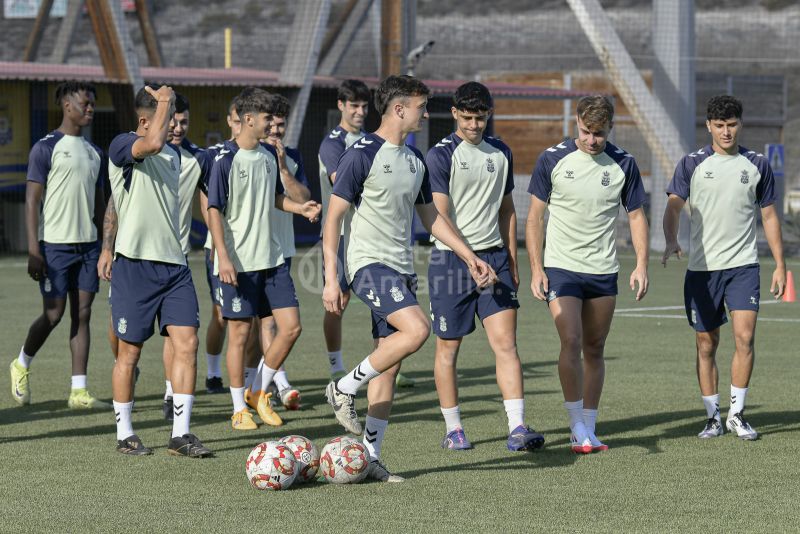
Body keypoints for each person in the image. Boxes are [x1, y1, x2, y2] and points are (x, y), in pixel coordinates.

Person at [322, 75, 496, 481]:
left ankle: (369, 458)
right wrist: (332, 278)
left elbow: (432, 217)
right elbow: (333, 219)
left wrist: (469, 255)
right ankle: (343, 387)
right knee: (418, 330)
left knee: (390, 365)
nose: (424, 113)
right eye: (420, 106)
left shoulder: (415, 160)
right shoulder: (360, 154)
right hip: (367, 263)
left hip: (401, 267)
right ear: (399, 108)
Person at [526, 95, 649, 454]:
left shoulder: (624, 163)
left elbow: (636, 215)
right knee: (572, 341)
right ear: (576, 121)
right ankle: (576, 423)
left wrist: (641, 264)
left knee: (595, 347)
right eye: (585, 131)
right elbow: (535, 217)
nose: (591, 139)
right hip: (562, 268)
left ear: (611, 128)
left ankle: (590, 426)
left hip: (603, 271)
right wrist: (536, 269)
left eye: (598, 133)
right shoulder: (552, 158)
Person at [427, 82, 544, 452]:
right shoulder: (440, 155)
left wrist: (510, 258)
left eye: (481, 118)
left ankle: (517, 427)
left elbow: (507, 210)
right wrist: (470, 259)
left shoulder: (502, 152)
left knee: (506, 344)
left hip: (494, 261)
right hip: (451, 261)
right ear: (455, 114)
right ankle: (454, 429)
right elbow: (440, 217)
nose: (475, 125)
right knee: (448, 348)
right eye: (468, 117)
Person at [662, 95, 785, 441]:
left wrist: (779, 264)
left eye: (732, 124)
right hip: (703, 271)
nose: (726, 131)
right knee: (706, 344)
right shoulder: (691, 164)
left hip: (744, 267)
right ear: (709, 126)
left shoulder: (757, 164)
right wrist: (671, 238)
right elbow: (673, 206)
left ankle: (737, 414)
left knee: (745, 338)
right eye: (720, 125)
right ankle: (713, 417)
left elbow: (770, 215)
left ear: (740, 124)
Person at [207, 87, 320, 431]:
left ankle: (259, 392)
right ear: (248, 119)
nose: (273, 125)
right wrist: (223, 258)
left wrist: (300, 207)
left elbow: (273, 198)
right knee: (240, 335)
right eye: (268, 118)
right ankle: (239, 408)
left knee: (292, 327)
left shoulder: (270, 157)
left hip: (272, 260)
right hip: (238, 265)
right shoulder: (223, 159)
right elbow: (214, 210)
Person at [107, 84, 211, 457]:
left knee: (187, 343)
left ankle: (180, 434)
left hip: (176, 267)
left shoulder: (175, 157)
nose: (173, 128)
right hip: (134, 265)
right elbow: (148, 145)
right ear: (145, 120)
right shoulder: (123, 143)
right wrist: (164, 99)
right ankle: (125, 434)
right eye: (166, 118)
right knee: (129, 355)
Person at [11, 81, 108, 409]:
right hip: (54, 248)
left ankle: (78, 390)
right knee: (54, 314)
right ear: (67, 105)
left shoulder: (97, 153)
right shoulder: (45, 147)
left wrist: (106, 245)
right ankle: (21, 363)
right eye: (86, 102)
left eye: (93, 103)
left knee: (83, 313)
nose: (90, 108)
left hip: (89, 248)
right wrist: (34, 249)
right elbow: (31, 200)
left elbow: (99, 205)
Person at [318, 79, 415, 388]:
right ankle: (338, 368)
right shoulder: (335, 144)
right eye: (353, 106)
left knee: (387, 316)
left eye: (363, 106)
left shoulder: (378, 143)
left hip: (379, 242)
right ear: (341, 107)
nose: (360, 112)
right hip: (348, 236)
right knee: (337, 299)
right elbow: (343, 184)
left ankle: (385, 362)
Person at [246, 93, 308, 411]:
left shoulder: (292, 156)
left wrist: (284, 168)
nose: (276, 130)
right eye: (271, 123)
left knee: (276, 325)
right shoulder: (246, 154)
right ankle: (254, 388)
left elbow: (302, 195)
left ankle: (272, 387)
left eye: (281, 125)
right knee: (241, 326)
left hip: (280, 252)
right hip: (247, 253)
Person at [159, 93, 214, 419]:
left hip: (177, 257)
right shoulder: (143, 152)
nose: (178, 128)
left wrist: (217, 243)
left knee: (176, 332)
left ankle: (170, 393)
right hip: (136, 259)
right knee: (124, 342)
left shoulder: (198, 158)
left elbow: (208, 204)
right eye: (172, 121)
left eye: (184, 122)